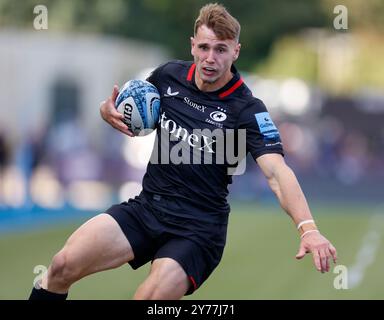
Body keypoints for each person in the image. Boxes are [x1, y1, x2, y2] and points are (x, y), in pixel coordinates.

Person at [29, 3, 337, 300]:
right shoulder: (168, 76)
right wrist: (104, 110)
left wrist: (307, 228)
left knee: (148, 298)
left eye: (221, 49)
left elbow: (277, 172)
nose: (210, 58)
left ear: (236, 51)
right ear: (192, 46)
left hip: (197, 230)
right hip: (147, 209)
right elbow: (131, 107)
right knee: (61, 266)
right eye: (204, 48)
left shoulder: (249, 109)